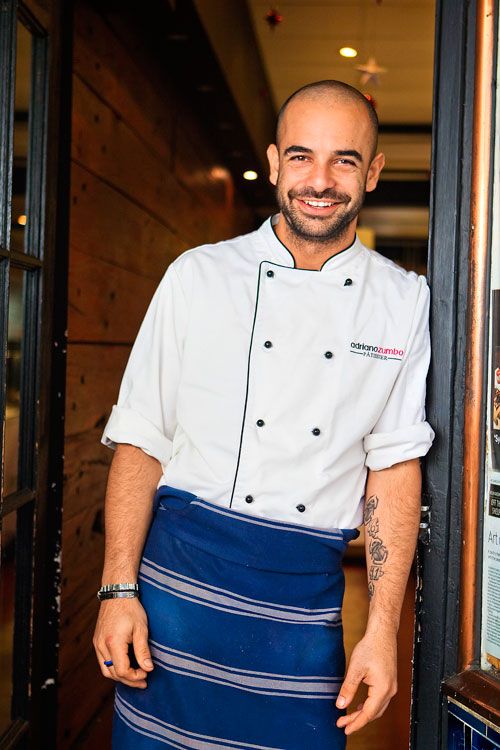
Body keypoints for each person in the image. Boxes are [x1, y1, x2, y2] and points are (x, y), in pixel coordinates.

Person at [93, 79, 434, 749]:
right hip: (173, 597)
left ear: (373, 171)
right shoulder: (197, 276)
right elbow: (140, 440)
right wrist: (115, 590)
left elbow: (393, 470)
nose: (321, 180)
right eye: (302, 156)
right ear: (275, 163)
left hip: (301, 613)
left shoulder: (403, 302)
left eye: (344, 160)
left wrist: (381, 633)